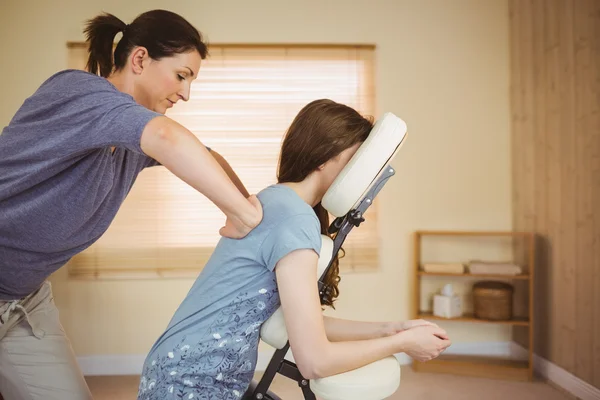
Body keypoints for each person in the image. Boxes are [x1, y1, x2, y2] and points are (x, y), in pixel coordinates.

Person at [0, 9, 262, 400]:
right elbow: (169, 139)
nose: (186, 94)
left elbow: (203, 154)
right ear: (139, 59)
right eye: (181, 76)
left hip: (24, 301)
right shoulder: (78, 92)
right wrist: (243, 216)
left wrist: (246, 205)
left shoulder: (130, 142)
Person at [137, 99, 452, 400]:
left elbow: (302, 325)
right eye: (356, 160)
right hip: (192, 383)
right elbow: (315, 360)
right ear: (325, 156)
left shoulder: (278, 201)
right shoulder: (294, 219)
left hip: (182, 369)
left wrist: (392, 329)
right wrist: (403, 343)